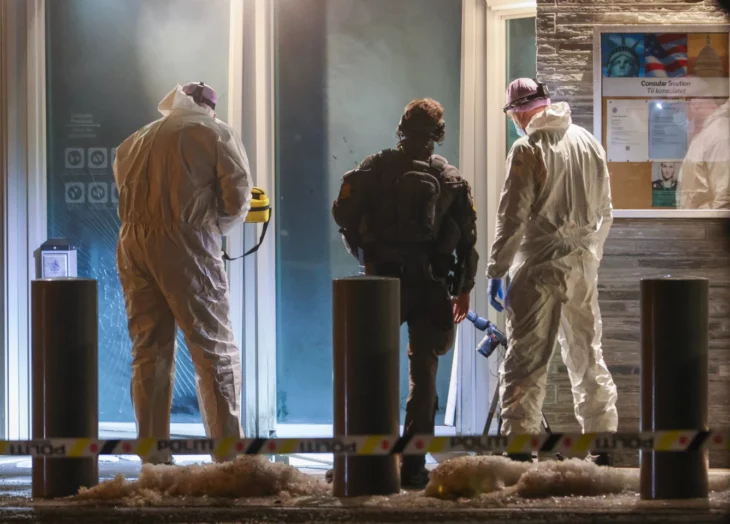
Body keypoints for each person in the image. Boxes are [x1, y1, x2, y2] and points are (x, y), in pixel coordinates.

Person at [332, 98, 479, 487]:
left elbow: (343, 214)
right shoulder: (450, 178)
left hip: (381, 284)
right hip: (431, 286)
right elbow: (468, 241)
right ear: (438, 133)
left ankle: (362, 460)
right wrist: (463, 289)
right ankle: (414, 467)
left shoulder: (375, 168)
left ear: (401, 128)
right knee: (424, 373)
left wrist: (366, 256)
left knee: (367, 368)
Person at [114, 82, 252, 464]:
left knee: (149, 352)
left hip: (132, 243)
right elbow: (238, 198)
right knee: (214, 350)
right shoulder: (214, 132)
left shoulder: (137, 139)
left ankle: (154, 460)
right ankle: (229, 459)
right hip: (186, 242)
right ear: (209, 107)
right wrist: (213, 228)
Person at [486, 79, 618, 465]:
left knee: (526, 361)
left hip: (538, 268)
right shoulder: (588, 142)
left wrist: (497, 269)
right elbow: (606, 211)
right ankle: (603, 446)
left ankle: (520, 450)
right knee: (587, 354)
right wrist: (590, 255)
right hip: (581, 266)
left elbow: (512, 217)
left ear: (519, 112)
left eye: (513, 115)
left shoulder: (527, 148)